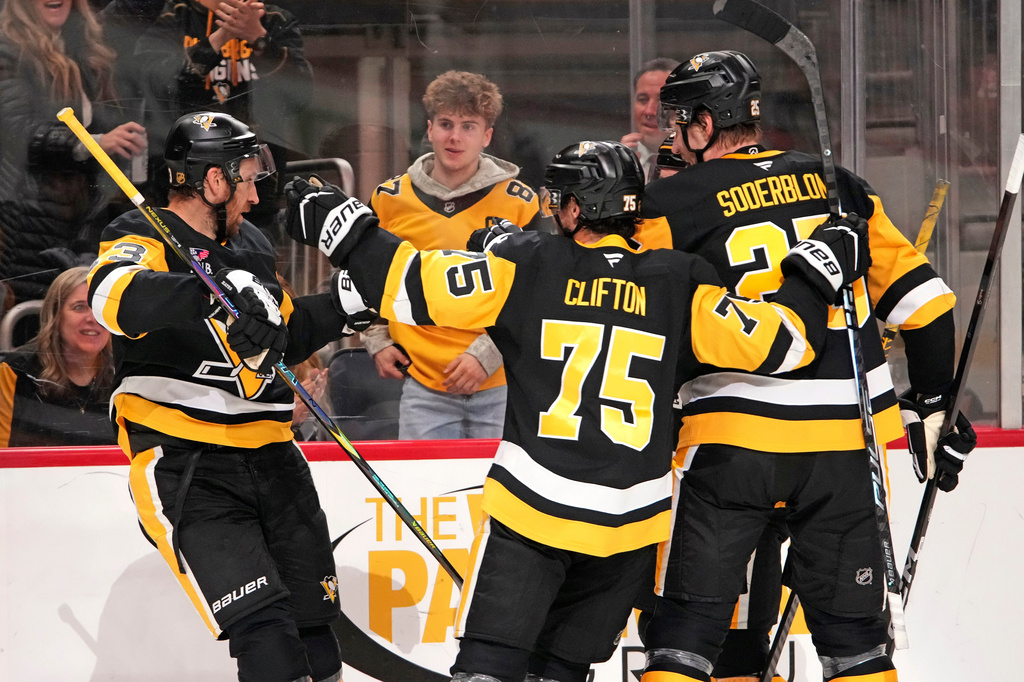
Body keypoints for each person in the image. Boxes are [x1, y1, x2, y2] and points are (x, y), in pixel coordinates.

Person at [282, 139, 869, 682]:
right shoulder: (680, 283)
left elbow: (411, 285)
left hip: (533, 517)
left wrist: (346, 228)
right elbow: (784, 343)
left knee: (489, 665)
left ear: (570, 209)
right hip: (628, 531)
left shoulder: (526, 266)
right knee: (561, 672)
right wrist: (811, 274)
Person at [634, 50, 978, 682]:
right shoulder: (839, 185)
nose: (673, 137)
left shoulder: (667, 204)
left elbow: (633, 313)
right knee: (856, 644)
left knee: (684, 631)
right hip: (846, 449)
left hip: (731, 445)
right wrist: (931, 404)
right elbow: (927, 305)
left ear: (705, 125)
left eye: (679, 121)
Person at [86, 111, 373, 682]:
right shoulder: (140, 232)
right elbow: (111, 296)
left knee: (317, 636)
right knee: (267, 639)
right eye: (245, 173)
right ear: (212, 180)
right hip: (188, 461)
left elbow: (279, 332)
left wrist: (346, 305)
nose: (255, 185)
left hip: (274, 457)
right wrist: (206, 291)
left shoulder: (253, 244)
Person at [360, 70, 544, 440]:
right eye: (445, 123)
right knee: (423, 495)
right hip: (423, 385)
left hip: (502, 383)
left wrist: (488, 354)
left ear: (487, 136)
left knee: (496, 494)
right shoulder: (389, 199)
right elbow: (362, 275)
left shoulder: (521, 203)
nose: (455, 136)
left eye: (468, 126)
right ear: (429, 129)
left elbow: (540, 291)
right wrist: (376, 338)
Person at [0, 0, 147, 305]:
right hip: (28, 220)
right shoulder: (8, 49)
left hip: (83, 216)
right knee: (36, 323)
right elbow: (17, 131)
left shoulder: (85, 46)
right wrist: (93, 143)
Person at [133, 0, 313, 233]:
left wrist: (260, 39)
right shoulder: (175, 16)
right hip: (189, 185)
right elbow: (155, 85)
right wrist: (221, 37)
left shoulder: (274, 19)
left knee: (253, 257)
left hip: (255, 186)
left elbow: (301, 96)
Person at [0, 266, 115, 447]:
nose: (93, 318)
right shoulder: (15, 371)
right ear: (55, 316)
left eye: (100, 308)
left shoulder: (125, 374)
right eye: (79, 307)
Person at [620, 57, 680, 183]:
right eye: (642, 99)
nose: (649, 111)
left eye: (662, 102)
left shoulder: (705, 165)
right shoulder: (615, 166)